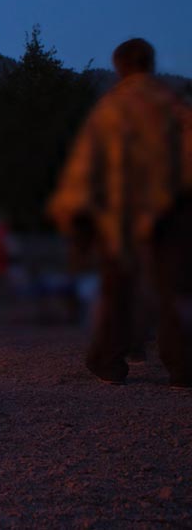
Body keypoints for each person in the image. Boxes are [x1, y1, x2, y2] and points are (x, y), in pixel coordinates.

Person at [49, 38, 192, 388]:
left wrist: (72, 210)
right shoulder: (172, 103)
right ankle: (183, 368)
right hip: (170, 209)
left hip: (121, 213)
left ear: (119, 67)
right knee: (172, 290)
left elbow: (86, 163)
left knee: (119, 290)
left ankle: (108, 362)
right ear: (150, 64)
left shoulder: (110, 108)